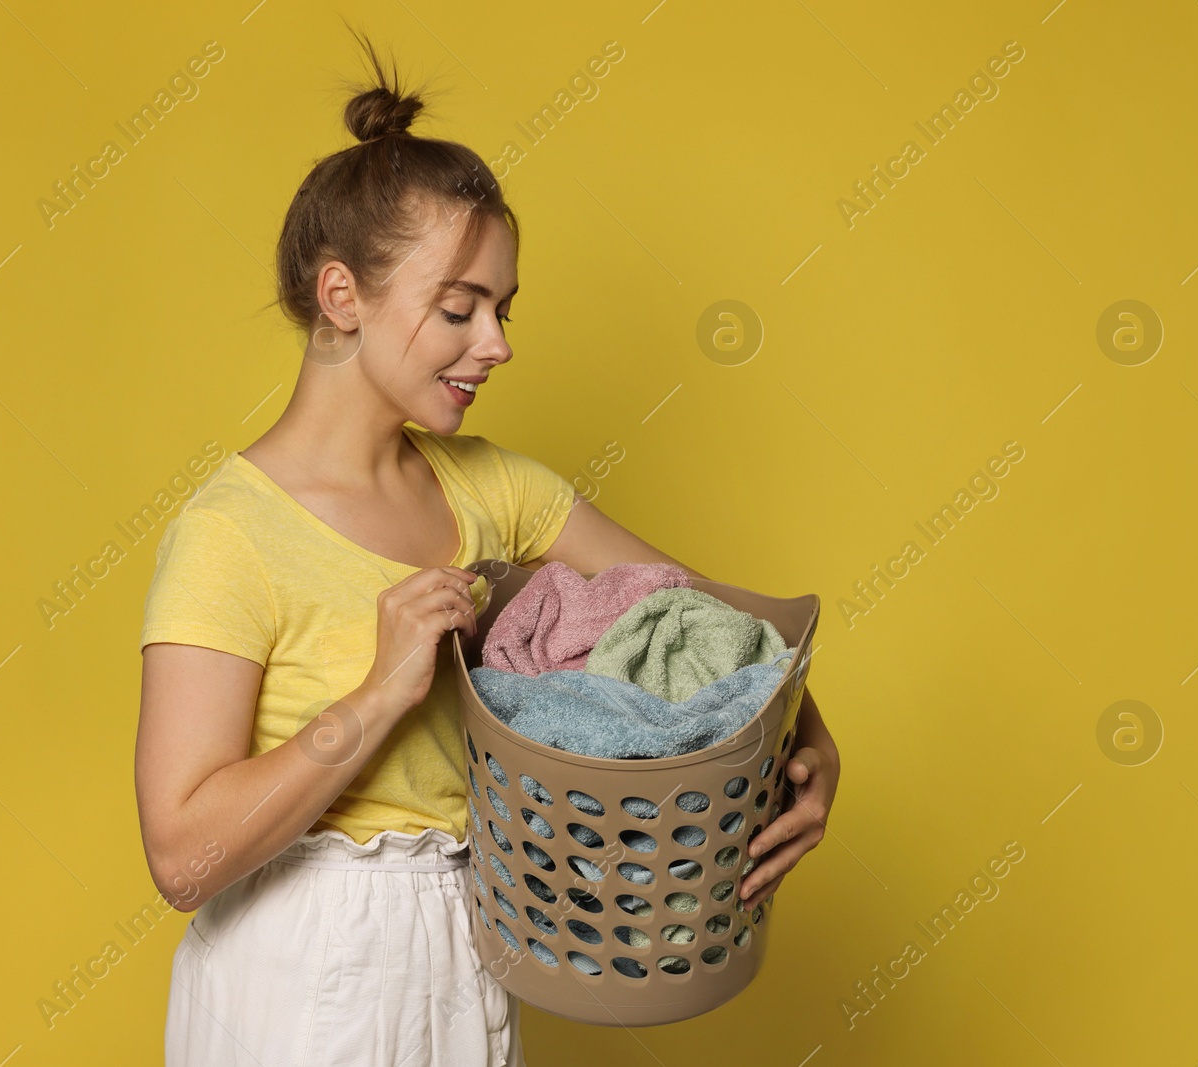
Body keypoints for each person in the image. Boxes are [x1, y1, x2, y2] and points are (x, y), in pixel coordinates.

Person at [133, 31, 841, 1067]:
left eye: (501, 309)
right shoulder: (229, 535)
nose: (497, 343)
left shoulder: (495, 490)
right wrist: (377, 694)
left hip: (474, 943)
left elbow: (703, 623)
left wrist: (807, 740)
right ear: (343, 298)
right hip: (295, 968)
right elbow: (181, 854)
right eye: (458, 308)